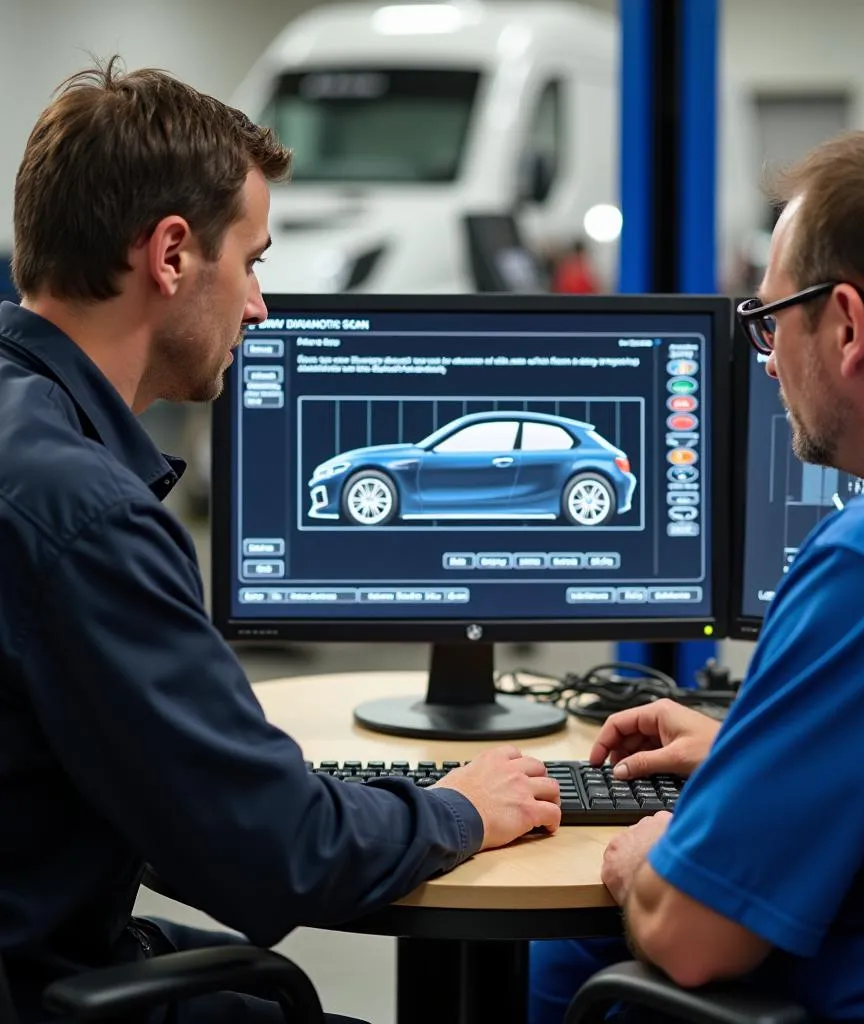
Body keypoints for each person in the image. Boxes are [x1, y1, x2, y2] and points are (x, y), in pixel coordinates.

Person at [0, 59, 561, 1024]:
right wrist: (458, 808)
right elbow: (278, 854)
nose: (260, 307)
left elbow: (186, 821)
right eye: (253, 261)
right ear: (171, 255)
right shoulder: (85, 513)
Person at [531, 126, 864, 1023]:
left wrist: (647, 857)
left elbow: (692, 937)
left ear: (844, 324)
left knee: (578, 947)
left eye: (768, 321)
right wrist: (743, 755)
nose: (764, 361)